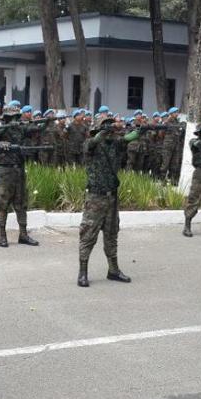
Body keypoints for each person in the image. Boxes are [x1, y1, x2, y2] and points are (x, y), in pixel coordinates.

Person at [77, 116, 135, 287]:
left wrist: (137, 130)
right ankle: (82, 272)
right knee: (88, 234)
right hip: (96, 197)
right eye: (106, 127)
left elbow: (129, 138)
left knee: (112, 234)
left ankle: (113, 270)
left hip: (112, 197)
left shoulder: (115, 145)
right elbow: (92, 143)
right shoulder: (90, 144)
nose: (110, 131)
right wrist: (103, 132)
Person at [0, 102, 44, 247]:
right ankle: (2, 236)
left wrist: (45, 123)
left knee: (21, 203)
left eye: (16, 116)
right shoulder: (0, 127)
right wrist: (1, 142)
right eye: (12, 117)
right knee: (2, 203)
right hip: (5, 170)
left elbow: (36, 130)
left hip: (19, 169)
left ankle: (23, 234)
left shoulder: (21, 128)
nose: (15, 119)